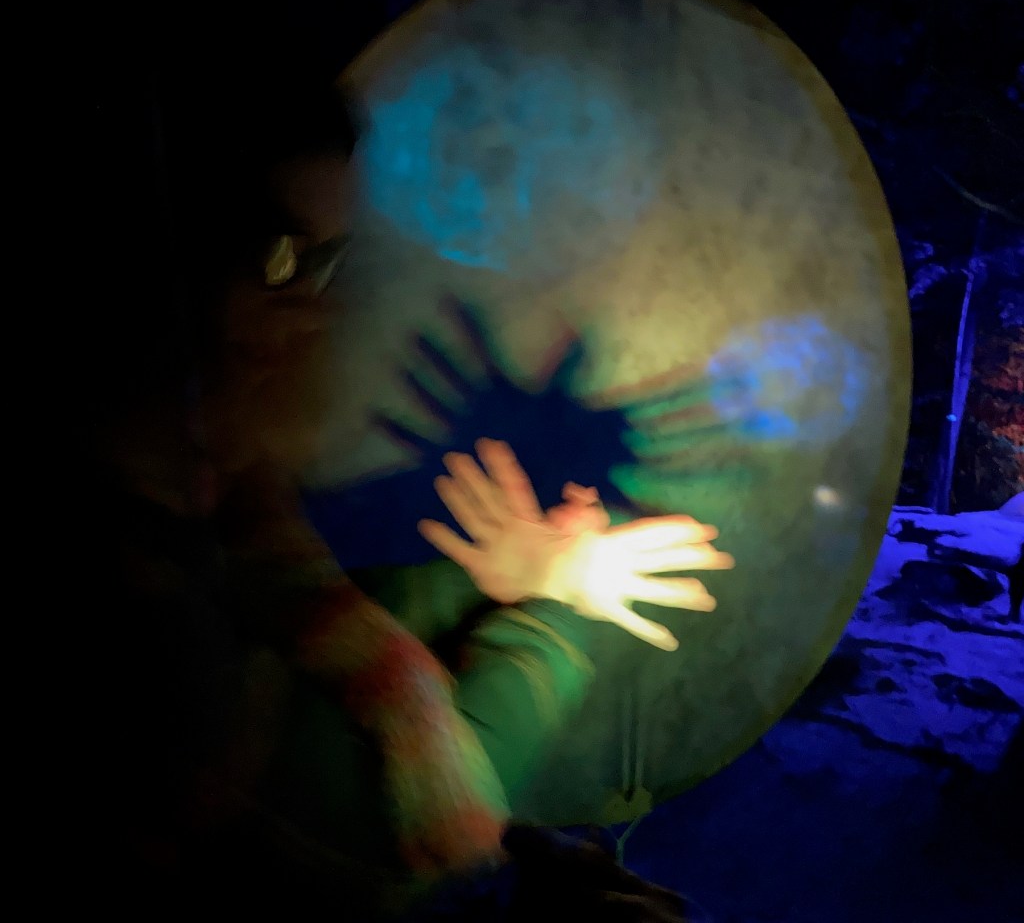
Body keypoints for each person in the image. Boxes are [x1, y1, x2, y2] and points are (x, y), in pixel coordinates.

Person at [72, 64, 729, 919]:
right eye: (277, 259)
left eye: (330, 265)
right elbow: (382, 860)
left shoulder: (213, 495)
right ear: (151, 258)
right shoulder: (146, 632)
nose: (317, 313)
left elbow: (307, 591)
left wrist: (524, 575)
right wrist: (554, 612)